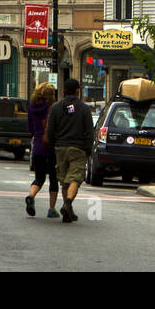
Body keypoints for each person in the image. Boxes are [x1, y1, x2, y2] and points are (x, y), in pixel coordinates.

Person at [45, 78, 93, 224]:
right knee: (74, 179)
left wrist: (54, 146)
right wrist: (88, 148)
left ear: (64, 90)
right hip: (77, 148)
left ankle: (68, 211)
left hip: (60, 148)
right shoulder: (84, 108)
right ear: (77, 91)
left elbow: (50, 129)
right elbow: (89, 131)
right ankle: (68, 203)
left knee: (64, 180)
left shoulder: (55, 107)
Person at [25, 81, 60, 219]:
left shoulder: (32, 108)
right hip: (51, 147)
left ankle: (31, 195)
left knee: (39, 178)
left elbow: (30, 129)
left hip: (38, 146)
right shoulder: (52, 108)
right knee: (53, 178)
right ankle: (51, 209)